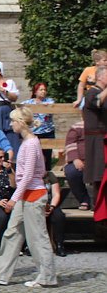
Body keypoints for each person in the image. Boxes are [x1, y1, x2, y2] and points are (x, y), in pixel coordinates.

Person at [0, 107, 57, 287]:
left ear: (21, 122)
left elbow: (29, 175)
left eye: (13, 121)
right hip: (25, 196)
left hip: (33, 195)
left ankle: (47, 276)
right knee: (12, 233)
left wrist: (14, 198)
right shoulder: (27, 143)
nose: (11, 124)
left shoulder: (31, 144)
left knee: (37, 237)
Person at [82, 67, 107, 201]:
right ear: (101, 77)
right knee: (99, 173)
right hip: (96, 139)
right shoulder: (92, 92)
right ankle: (99, 209)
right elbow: (97, 101)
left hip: (103, 138)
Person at [21, 82, 55, 168]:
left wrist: (44, 106)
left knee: (46, 156)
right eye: (41, 90)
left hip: (47, 132)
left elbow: (51, 106)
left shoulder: (49, 101)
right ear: (35, 92)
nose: (43, 92)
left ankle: (47, 175)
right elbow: (21, 105)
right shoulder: (29, 102)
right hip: (33, 133)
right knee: (33, 155)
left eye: (44, 90)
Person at [63, 120, 89, 210]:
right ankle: (84, 199)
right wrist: (75, 158)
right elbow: (70, 143)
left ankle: (99, 202)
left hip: (98, 161)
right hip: (79, 160)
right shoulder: (77, 127)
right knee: (72, 172)